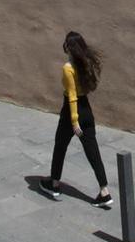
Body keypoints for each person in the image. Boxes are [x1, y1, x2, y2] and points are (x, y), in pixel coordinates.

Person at [42, 31, 111, 208]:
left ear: (69, 47)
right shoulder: (85, 64)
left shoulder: (68, 68)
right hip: (86, 108)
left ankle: (54, 183)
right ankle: (104, 191)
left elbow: (72, 96)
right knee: (92, 150)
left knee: (60, 145)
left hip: (71, 111)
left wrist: (74, 121)